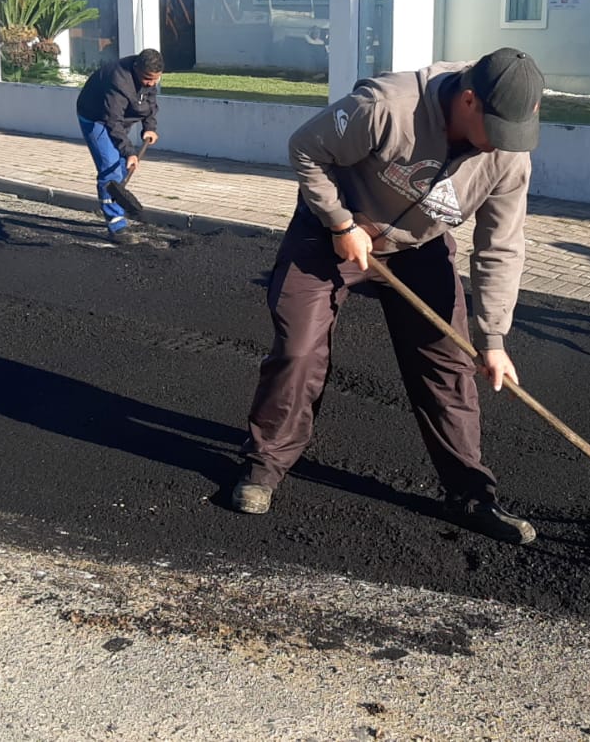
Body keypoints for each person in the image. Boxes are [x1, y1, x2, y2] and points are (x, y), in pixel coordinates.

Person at [230, 47, 547, 545]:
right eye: (498, 132)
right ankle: (263, 466)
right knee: (298, 350)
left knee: (450, 364)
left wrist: (493, 338)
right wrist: (339, 221)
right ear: (469, 100)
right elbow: (306, 149)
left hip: (419, 246)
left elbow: (500, 246)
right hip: (331, 234)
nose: (502, 147)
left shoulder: (507, 158)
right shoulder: (387, 106)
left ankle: (470, 493)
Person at [76, 48, 163, 241]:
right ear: (136, 69)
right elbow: (112, 121)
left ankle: (113, 205)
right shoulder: (119, 81)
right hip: (96, 118)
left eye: (155, 79)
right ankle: (116, 225)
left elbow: (150, 102)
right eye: (147, 79)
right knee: (110, 169)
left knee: (122, 167)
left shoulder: (149, 77)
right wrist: (129, 151)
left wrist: (149, 127)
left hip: (122, 119)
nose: (151, 83)